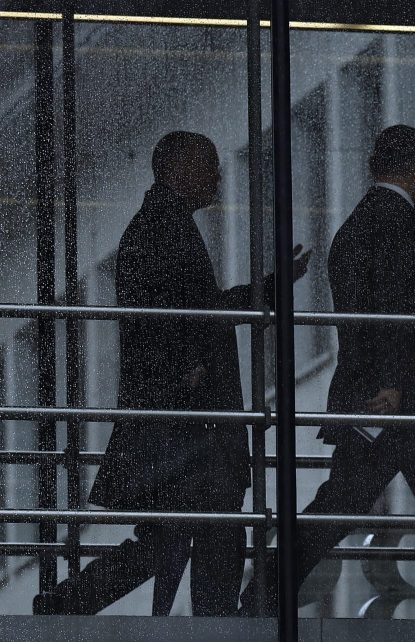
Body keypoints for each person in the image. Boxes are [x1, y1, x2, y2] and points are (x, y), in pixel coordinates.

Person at [34, 131, 310, 616]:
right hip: (189, 423)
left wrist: (266, 290)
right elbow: (184, 318)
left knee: (176, 534)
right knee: (209, 529)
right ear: (179, 169)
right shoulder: (162, 229)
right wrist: (189, 367)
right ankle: (213, 627)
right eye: (208, 165)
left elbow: (190, 314)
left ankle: (76, 601)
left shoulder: (159, 225)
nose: (217, 177)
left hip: (179, 422)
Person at [241, 125, 415, 620]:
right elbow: (394, 315)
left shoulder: (358, 226)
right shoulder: (395, 223)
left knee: (348, 503)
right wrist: (404, 385)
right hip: (403, 402)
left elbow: (379, 316)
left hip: (393, 396)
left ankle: (265, 591)